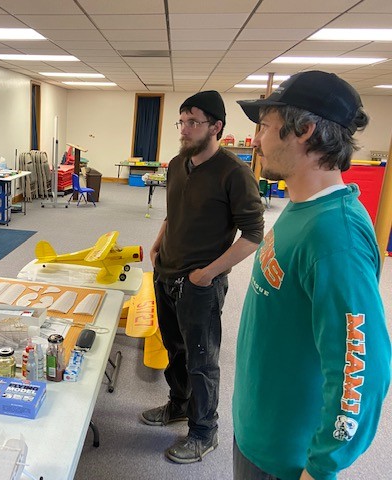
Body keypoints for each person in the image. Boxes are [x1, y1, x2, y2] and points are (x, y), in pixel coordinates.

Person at [234, 71, 391, 480]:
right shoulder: (304, 206)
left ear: (303, 130)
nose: (255, 141)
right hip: (258, 430)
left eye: (264, 127)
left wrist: (321, 467)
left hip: (285, 459)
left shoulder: (335, 236)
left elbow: (364, 369)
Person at [144, 90, 264, 463]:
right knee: (174, 348)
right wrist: (158, 244)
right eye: (182, 121)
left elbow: (253, 235)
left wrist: (208, 273)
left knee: (201, 359)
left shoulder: (235, 173)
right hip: (166, 274)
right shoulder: (177, 164)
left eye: (194, 122)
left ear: (216, 127)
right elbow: (173, 211)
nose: (185, 129)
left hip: (200, 286)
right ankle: (178, 404)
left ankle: (204, 431)